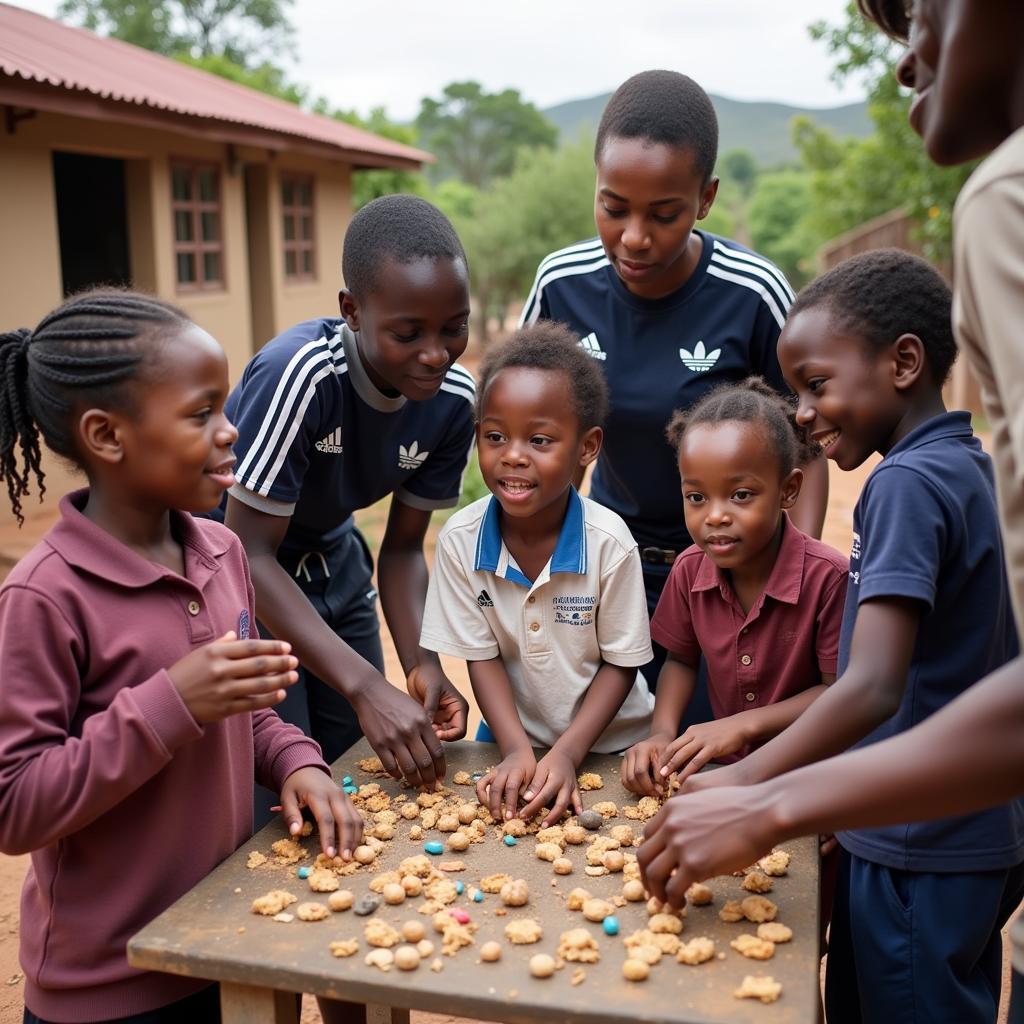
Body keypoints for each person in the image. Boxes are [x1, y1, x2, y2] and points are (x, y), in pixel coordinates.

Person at [641, 249, 1024, 1024]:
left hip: (918, 839)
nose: (804, 413)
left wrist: (754, 787)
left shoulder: (905, 485)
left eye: (816, 386)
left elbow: (872, 685)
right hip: (974, 829)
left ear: (903, 362)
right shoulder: (967, 467)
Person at [0, 290, 361, 1024]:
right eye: (202, 415)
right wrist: (172, 702)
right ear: (107, 436)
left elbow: (247, 709)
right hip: (110, 985)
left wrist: (298, 763)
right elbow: (16, 806)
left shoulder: (222, 549)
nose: (231, 433)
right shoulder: (44, 597)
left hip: (227, 942)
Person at [519, 70, 828, 725]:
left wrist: (783, 590)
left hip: (728, 578)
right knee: (589, 763)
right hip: (607, 573)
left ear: (705, 198)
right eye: (613, 207)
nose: (635, 236)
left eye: (664, 214)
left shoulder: (752, 293)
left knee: (715, 758)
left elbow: (808, 449)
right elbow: (538, 436)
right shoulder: (561, 287)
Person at [219, 194, 473, 804]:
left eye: (454, 327)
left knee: (360, 772)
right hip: (238, 586)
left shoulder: (453, 400)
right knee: (282, 779)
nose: (435, 353)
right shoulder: (302, 376)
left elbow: (406, 549)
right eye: (408, 333)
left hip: (337, 568)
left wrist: (422, 665)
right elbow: (247, 552)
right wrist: (364, 685)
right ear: (352, 311)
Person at [420, 323, 654, 828]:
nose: (513, 455)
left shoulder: (608, 543)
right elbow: (481, 658)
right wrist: (514, 748)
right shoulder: (461, 540)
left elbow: (621, 663)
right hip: (511, 736)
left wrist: (568, 753)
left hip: (614, 743)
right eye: (496, 436)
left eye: (540, 439)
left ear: (587, 447)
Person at [621, 378, 846, 797]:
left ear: (788, 490)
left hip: (808, 779)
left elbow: (839, 694)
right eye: (696, 497)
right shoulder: (689, 569)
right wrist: (661, 733)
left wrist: (741, 726)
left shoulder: (828, 578)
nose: (716, 516)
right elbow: (681, 661)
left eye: (740, 495)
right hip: (724, 779)